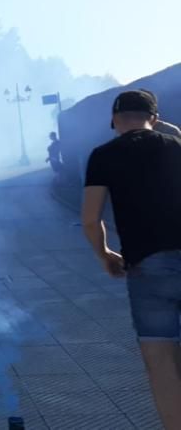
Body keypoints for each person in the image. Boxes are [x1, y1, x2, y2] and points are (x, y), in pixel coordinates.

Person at [81, 90, 181, 429]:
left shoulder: (104, 156)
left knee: (161, 363)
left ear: (114, 120)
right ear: (154, 117)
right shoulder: (176, 147)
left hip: (148, 266)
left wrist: (105, 254)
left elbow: (91, 220)